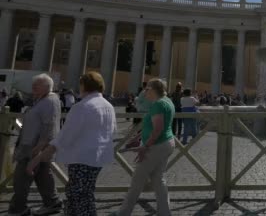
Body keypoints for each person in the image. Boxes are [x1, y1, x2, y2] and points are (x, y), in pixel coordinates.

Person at [26, 72, 116, 216]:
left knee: (78, 197)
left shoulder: (82, 106)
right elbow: (112, 131)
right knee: (84, 195)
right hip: (98, 158)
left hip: (81, 158)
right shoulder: (108, 106)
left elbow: (64, 137)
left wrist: (38, 158)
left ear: (84, 85)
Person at [112, 78, 175, 216]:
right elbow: (152, 126)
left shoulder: (158, 104)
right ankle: (165, 212)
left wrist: (145, 146)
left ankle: (123, 213)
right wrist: (137, 137)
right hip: (167, 143)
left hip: (156, 146)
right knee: (159, 179)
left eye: (147, 89)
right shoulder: (167, 101)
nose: (144, 92)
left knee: (137, 180)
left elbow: (158, 129)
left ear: (153, 90)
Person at [9, 74, 62, 216]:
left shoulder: (49, 101)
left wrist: (38, 149)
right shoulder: (41, 99)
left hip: (35, 146)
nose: (33, 86)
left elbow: (49, 126)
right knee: (43, 175)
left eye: (37, 84)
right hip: (35, 145)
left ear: (47, 86)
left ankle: (18, 209)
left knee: (21, 178)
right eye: (34, 84)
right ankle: (52, 202)